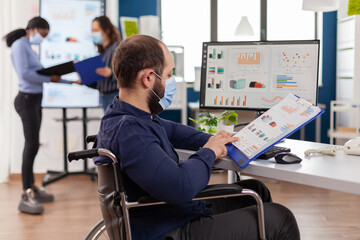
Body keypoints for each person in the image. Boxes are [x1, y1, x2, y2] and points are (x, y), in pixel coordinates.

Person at [93, 35, 300, 240]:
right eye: (169, 74)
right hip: (165, 229)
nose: (171, 81)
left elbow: (174, 131)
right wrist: (209, 151)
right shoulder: (131, 131)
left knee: (255, 190)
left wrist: (219, 139)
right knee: (280, 219)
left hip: (167, 214)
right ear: (148, 78)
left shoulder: (127, 117)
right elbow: (181, 186)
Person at [3, 16, 74, 215]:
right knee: (31, 145)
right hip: (26, 100)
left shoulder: (27, 46)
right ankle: (25, 194)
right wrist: (51, 77)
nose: (42, 38)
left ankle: (32, 187)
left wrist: (69, 82)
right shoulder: (19, 45)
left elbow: (41, 75)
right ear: (33, 29)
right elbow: (26, 75)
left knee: (33, 144)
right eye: (42, 34)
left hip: (34, 99)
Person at [89, 16, 121, 112]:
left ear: (106, 30)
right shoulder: (103, 52)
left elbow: (126, 75)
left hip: (114, 96)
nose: (93, 33)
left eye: (96, 30)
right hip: (104, 96)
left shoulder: (117, 48)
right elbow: (100, 81)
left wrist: (110, 74)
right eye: (92, 30)